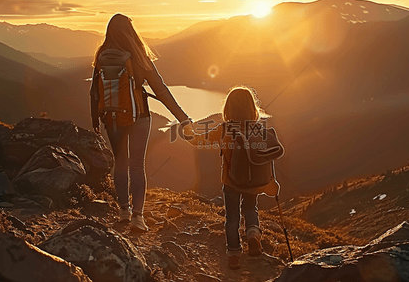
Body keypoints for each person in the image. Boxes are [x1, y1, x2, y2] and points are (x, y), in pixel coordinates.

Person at [90, 14, 190, 232]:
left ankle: (123, 212)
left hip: (111, 119)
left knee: (120, 163)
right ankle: (138, 217)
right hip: (140, 116)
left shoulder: (102, 55)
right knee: (137, 165)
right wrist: (183, 119)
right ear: (130, 31)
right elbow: (161, 90)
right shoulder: (137, 55)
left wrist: (95, 119)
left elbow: (94, 91)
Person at [183, 86, 280, 269]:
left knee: (232, 217)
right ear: (252, 108)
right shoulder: (258, 129)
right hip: (254, 182)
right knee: (251, 208)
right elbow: (267, 157)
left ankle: (234, 254)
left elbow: (199, 140)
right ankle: (252, 233)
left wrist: (187, 132)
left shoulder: (225, 129)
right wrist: (271, 181)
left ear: (228, 108)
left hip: (231, 182)